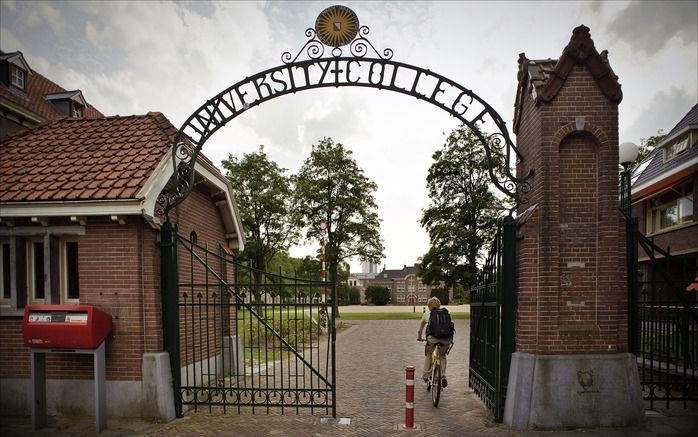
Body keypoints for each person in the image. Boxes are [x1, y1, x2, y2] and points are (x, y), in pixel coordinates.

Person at [417, 296, 453, 387]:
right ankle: (443, 375)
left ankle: (426, 375)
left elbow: (420, 330)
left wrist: (419, 337)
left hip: (432, 339)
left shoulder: (427, 313)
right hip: (446, 339)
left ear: (429, 306)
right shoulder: (446, 313)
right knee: (442, 355)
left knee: (429, 353)